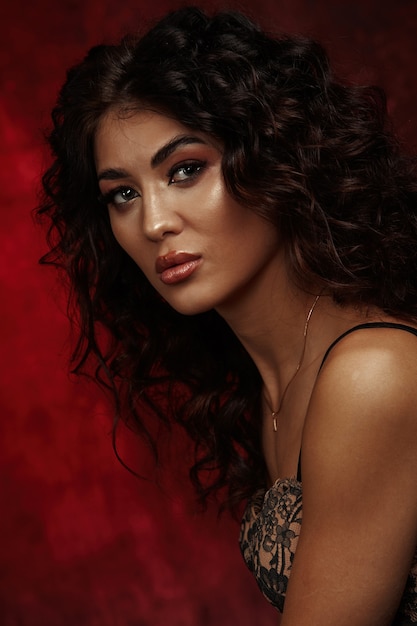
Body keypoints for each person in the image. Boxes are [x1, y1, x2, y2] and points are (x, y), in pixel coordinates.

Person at [37, 6, 417, 625]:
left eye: (186, 170)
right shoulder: (273, 377)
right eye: (123, 194)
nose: (154, 222)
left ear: (274, 157)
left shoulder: (371, 373)